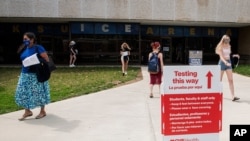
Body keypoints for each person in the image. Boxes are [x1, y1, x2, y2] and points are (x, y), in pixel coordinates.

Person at [15, 32, 50, 120]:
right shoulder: (24, 48)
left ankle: (42, 111)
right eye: (24, 39)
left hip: (35, 74)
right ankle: (27, 111)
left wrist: (35, 60)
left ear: (32, 39)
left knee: (39, 92)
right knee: (23, 92)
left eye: (26, 39)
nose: (25, 40)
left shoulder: (38, 48)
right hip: (24, 73)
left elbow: (46, 59)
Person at [215, 34, 240, 101]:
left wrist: (235, 55)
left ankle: (233, 96)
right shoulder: (220, 46)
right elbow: (221, 57)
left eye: (228, 39)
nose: (228, 40)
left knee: (231, 80)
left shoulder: (229, 45)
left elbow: (228, 54)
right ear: (223, 39)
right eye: (226, 39)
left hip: (228, 62)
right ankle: (216, 94)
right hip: (222, 63)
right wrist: (225, 62)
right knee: (219, 80)